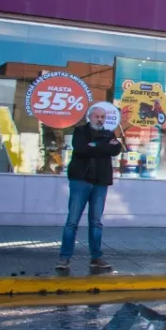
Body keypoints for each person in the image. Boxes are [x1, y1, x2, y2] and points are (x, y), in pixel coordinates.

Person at [56, 105, 123, 274]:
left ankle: (96, 258)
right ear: (89, 117)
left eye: (103, 117)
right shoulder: (80, 132)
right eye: (97, 116)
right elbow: (81, 149)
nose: (100, 119)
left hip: (100, 182)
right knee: (72, 221)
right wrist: (102, 146)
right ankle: (65, 257)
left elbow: (115, 150)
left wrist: (95, 145)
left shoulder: (109, 133)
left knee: (96, 222)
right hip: (80, 181)